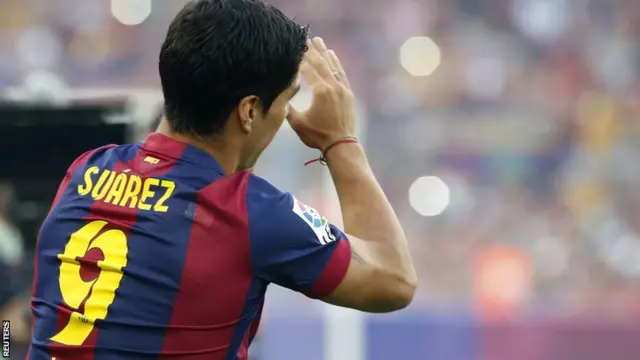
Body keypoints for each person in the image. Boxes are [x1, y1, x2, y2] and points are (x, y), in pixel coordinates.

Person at [28, 0, 417, 359]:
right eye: (287, 100)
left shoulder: (86, 170)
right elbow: (394, 280)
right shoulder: (248, 212)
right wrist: (339, 141)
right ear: (249, 111)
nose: (287, 115)